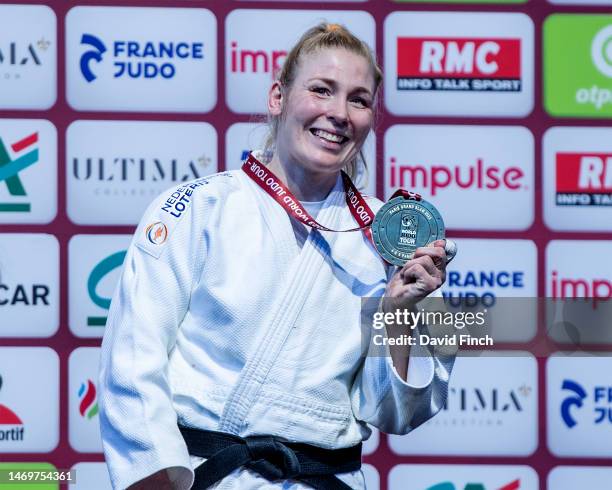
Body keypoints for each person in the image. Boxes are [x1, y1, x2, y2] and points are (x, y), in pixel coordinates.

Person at [99, 23, 455, 490]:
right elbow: (132, 359)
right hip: (208, 478)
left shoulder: (395, 238)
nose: (339, 113)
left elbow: (400, 412)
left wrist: (398, 313)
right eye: (322, 90)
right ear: (277, 97)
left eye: (359, 99)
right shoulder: (197, 207)